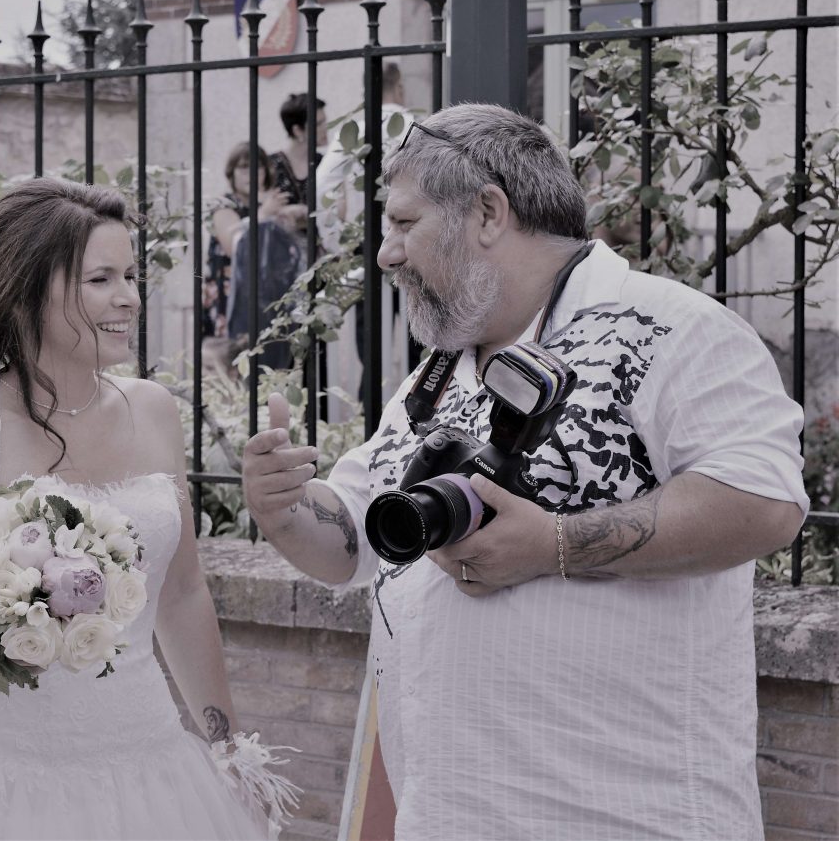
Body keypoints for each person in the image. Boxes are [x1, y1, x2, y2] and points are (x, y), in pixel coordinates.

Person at [242, 104, 808, 840]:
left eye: (404, 223)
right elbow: (355, 542)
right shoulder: (439, 372)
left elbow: (764, 501)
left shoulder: (673, 327)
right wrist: (284, 506)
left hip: (625, 819)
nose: (384, 254)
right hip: (447, 818)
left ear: (487, 213)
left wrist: (553, 544)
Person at [0, 178, 293, 840]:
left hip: (148, 767)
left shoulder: (154, 411)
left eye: (130, 276)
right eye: (101, 279)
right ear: (26, 290)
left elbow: (182, 593)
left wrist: (227, 747)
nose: (129, 297)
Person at [315, 62, 412, 400]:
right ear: (399, 87)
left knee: (371, 351)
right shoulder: (417, 127)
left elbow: (324, 183)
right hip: (414, 245)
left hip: (368, 247)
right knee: (420, 345)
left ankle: (371, 415)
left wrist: (336, 241)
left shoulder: (355, 130)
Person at [205, 141, 302, 371]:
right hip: (231, 296)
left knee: (268, 362)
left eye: (257, 167)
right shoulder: (225, 205)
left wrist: (292, 215)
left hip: (266, 299)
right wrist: (264, 214)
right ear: (231, 173)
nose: (250, 173)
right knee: (234, 363)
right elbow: (234, 246)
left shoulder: (267, 204)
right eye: (243, 167)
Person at [268, 92, 327, 220]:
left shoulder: (325, 162)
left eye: (324, 121)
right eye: (318, 124)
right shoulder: (270, 165)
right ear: (297, 131)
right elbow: (264, 211)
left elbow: (337, 210)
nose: (325, 128)